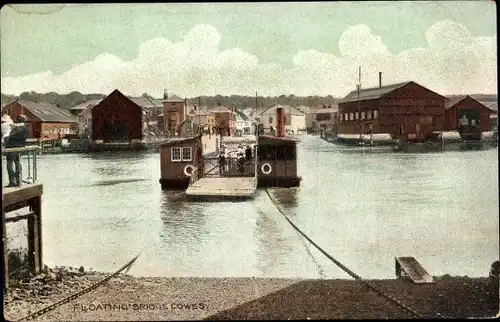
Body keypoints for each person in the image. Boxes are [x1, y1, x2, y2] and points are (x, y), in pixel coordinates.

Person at [4, 114, 29, 187]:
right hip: (20, 148)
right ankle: (19, 180)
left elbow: (10, 137)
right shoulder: (25, 129)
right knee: (18, 163)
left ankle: (12, 181)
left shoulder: (14, 128)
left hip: (11, 147)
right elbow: (25, 137)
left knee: (9, 164)